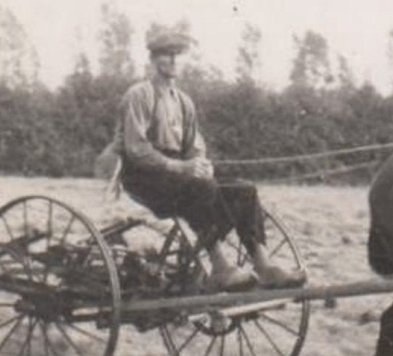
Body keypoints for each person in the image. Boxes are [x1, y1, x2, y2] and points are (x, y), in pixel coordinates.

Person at [100, 29, 306, 291]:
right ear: (153, 59)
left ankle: (263, 265)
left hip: (176, 174)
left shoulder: (184, 102)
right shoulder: (139, 95)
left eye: (178, 55)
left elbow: (195, 145)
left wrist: (200, 163)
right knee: (201, 189)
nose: (173, 60)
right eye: (166, 55)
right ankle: (219, 266)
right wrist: (182, 167)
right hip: (143, 176)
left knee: (243, 190)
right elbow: (136, 148)